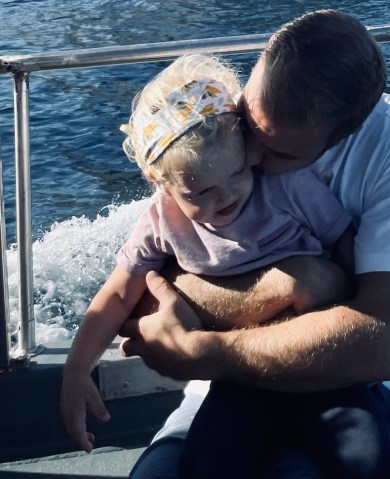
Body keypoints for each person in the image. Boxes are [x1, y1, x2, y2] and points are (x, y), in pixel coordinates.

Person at [121, 10, 390, 479]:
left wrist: (205, 350)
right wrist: (294, 283)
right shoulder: (216, 125)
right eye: (250, 129)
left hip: (364, 391)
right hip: (221, 392)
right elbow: (150, 295)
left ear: (339, 140)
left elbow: (380, 344)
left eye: (277, 153)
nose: (250, 157)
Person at [60, 53, 357, 477]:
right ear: (161, 183)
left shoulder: (289, 189)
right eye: (200, 191)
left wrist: (360, 312)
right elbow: (119, 291)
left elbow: (344, 243)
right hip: (240, 374)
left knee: (359, 455)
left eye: (236, 173)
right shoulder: (161, 220)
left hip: (316, 357)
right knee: (209, 462)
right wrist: (77, 370)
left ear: (247, 152)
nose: (226, 196)